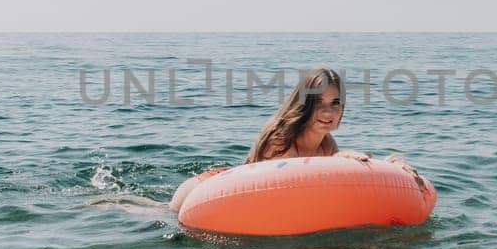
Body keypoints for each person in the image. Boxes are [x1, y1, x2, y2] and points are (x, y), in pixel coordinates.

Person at [170, 67, 422, 213]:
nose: (328, 112)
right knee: (149, 211)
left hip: (223, 188)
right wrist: (340, 160)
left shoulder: (326, 143)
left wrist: (392, 165)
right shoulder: (280, 140)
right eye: (319, 103)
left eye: (336, 103)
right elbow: (287, 192)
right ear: (304, 104)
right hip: (203, 190)